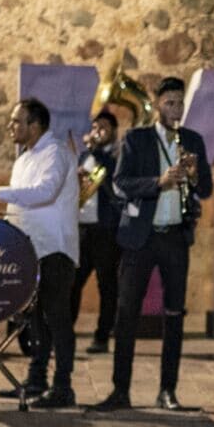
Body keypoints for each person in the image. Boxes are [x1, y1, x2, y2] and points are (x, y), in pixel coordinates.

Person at [90, 76, 211, 413]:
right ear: (158, 104)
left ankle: (167, 391)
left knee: (174, 315)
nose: (176, 109)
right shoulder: (137, 139)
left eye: (180, 103)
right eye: (170, 102)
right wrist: (159, 182)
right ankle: (120, 391)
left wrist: (196, 177)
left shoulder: (193, 141)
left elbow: (207, 191)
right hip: (140, 238)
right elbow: (120, 184)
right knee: (126, 314)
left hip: (175, 236)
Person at [0, 98, 79, 408]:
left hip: (54, 248)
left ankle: (63, 386)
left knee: (57, 318)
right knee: (36, 319)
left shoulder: (56, 154)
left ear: (34, 125)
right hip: (30, 249)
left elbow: (44, 192)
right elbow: (19, 209)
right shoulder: (24, 158)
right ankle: (36, 380)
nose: (10, 126)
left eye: (16, 121)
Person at [72, 111, 123, 355]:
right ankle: (66, 331)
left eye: (102, 128)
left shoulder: (116, 154)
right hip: (83, 227)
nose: (97, 132)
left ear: (113, 130)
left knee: (107, 285)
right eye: (94, 127)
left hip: (105, 229)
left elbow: (112, 175)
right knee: (73, 282)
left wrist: (94, 152)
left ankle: (102, 336)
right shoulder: (85, 155)